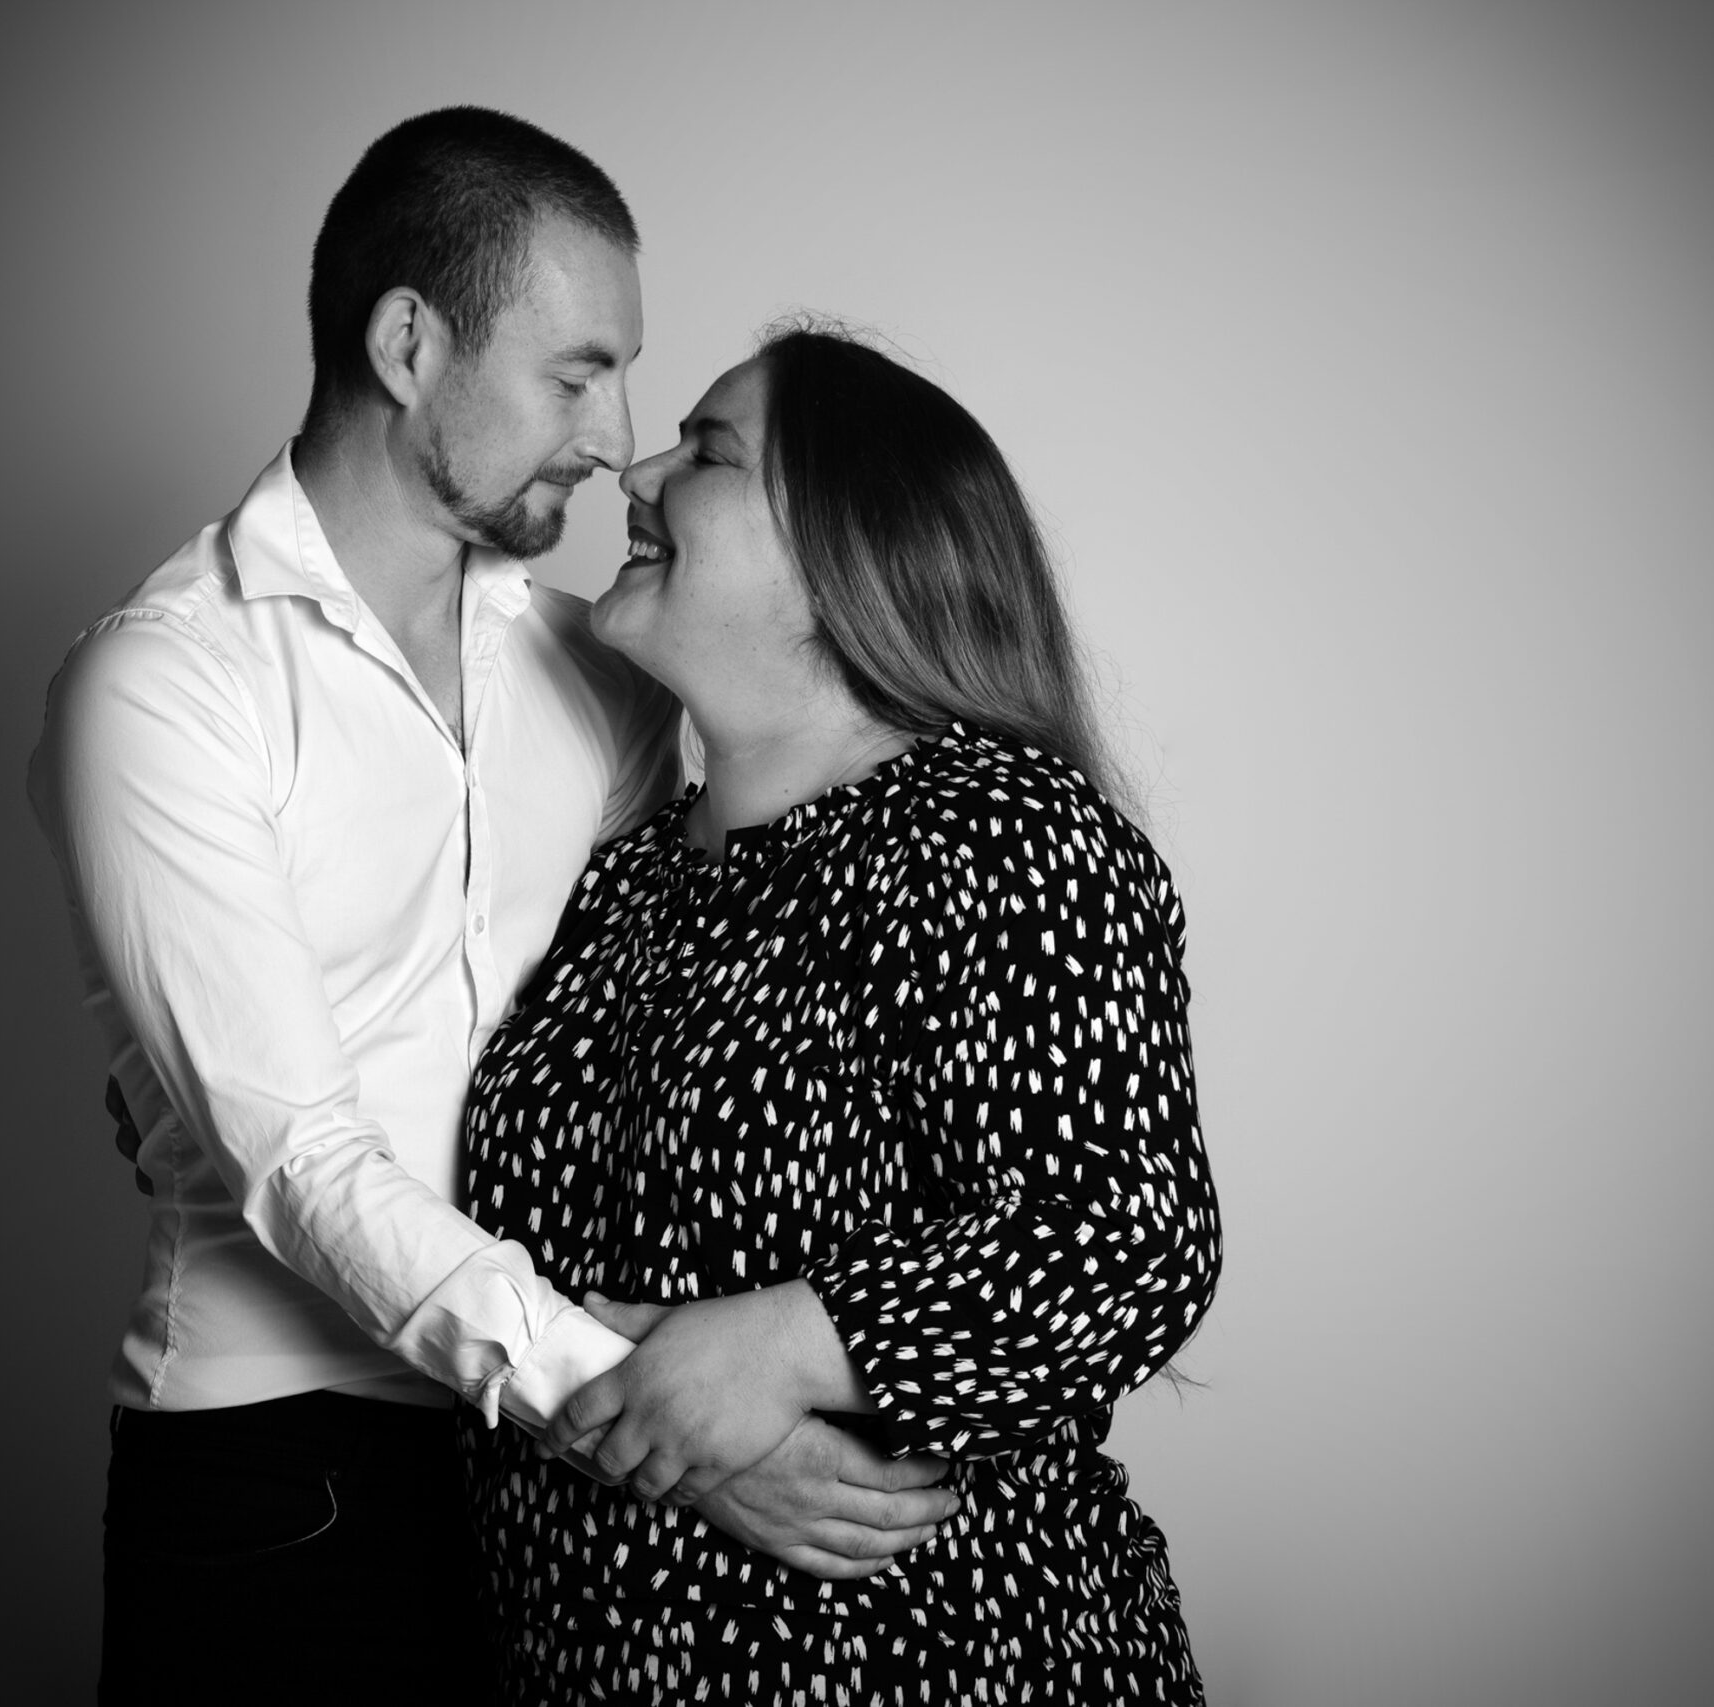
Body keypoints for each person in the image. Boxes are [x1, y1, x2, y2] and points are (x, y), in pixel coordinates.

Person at [29, 113, 955, 1703]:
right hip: (288, 1473)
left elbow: (659, 1007)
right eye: (576, 374)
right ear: (407, 346)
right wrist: (656, 1421)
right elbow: (302, 1161)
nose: (617, 437)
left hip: (543, 1491)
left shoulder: (602, 671)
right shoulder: (167, 687)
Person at [458, 323, 1223, 1702]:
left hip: (938, 1665)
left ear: (842, 552)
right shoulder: (622, 877)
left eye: (708, 452)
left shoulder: (999, 838)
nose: (635, 471)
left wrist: (782, 1349)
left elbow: (1128, 1236)